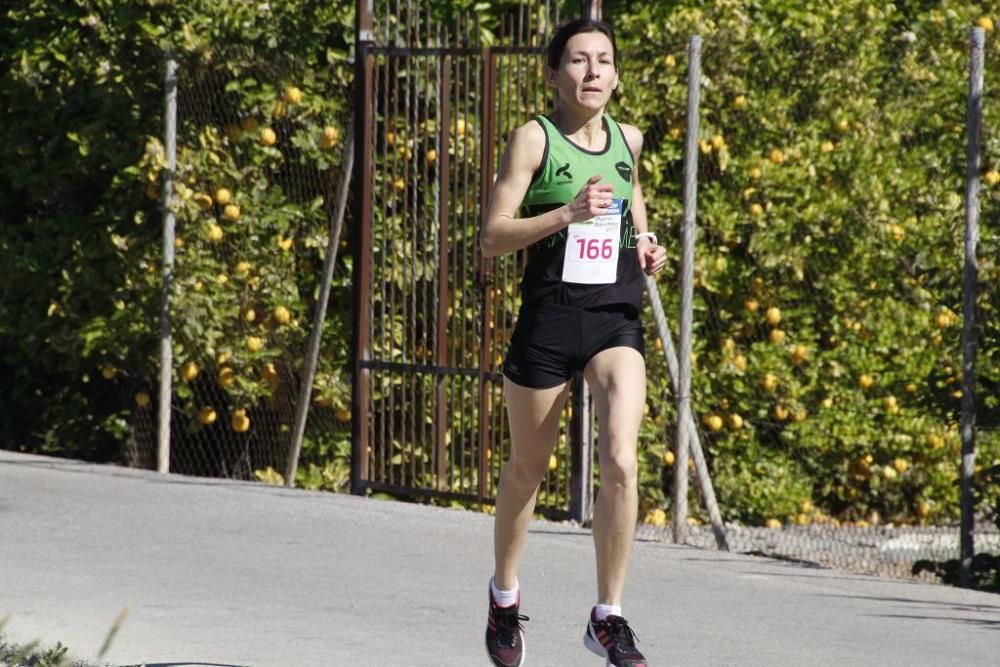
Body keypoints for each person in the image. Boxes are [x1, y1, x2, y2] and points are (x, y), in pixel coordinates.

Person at [479, 17, 666, 667]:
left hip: (614, 312)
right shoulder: (534, 139)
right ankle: (504, 596)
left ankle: (607, 617)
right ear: (553, 72)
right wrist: (565, 213)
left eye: (605, 61)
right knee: (527, 469)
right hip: (550, 315)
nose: (593, 72)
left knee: (620, 456)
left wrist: (645, 243)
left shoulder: (629, 139)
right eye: (579, 61)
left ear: (616, 75)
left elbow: (631, 202)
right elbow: (492, 237)